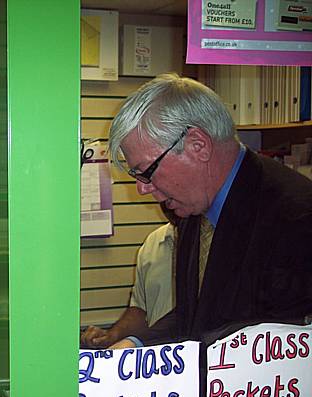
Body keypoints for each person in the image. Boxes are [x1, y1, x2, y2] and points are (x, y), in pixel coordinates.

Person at [106, 73, 312, 348]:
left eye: (147, 171)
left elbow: (275, 344)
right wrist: (135, 344)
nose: (142, 189)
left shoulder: (296, 219)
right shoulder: (195, 203)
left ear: (198, 145)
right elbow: (197, 314)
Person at [81, 201, 179, 348]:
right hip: (158, 359)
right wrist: (112, 336)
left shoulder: (214, 242)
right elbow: (140, 309)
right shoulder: (153, 242)